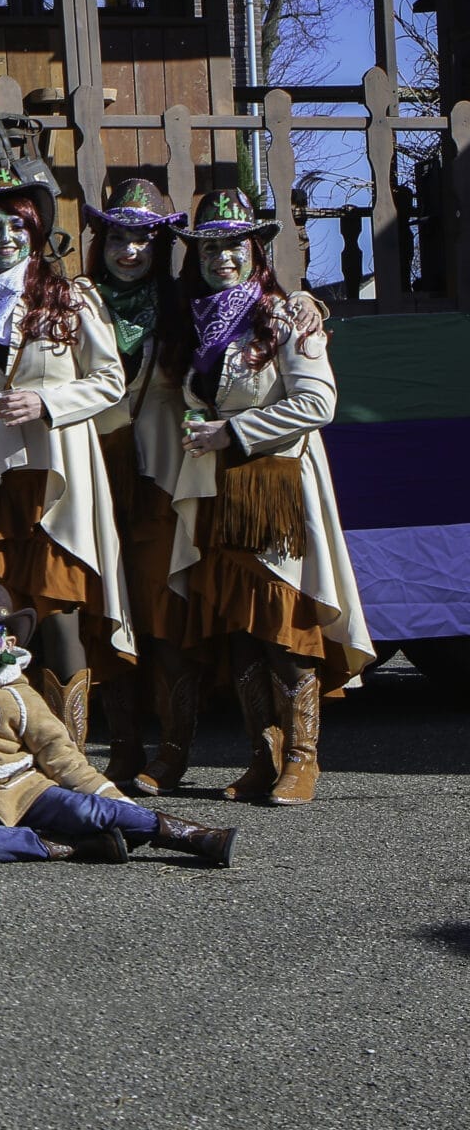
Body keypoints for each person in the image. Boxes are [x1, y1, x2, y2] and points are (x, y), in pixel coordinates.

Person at [164, 189, 374, 806]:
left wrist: (233, 431)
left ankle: (303, 760)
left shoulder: (286, 317)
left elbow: (318, 403)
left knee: (284, 625)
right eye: (210, 248)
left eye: (235, 245)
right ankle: (264, 756)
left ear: (256, 250)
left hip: (276, 489)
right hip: (221, 491)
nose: (223, 258)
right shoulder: (197, 322)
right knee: (240, 629)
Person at [0, 168, 132, 751]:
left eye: (17, 226)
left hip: (57, 479)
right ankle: (3, 753)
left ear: (36, 232)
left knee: (59, 611)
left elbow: (110, 380)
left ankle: (69, 754)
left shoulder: (71, 297)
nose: (5, 238)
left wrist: (47, 402)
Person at [0, 577, 235, 866]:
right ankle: (72, 846)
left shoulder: (18, 693)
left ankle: (192, 836)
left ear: (8, 642)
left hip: (25, 791)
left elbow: (60, 754)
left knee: (87, 810)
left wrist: (117, 800)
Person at [80, 181, 195, 789]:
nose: (130, 251)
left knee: (161, 611)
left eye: (143, 239)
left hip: (159, 479)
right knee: (105, 609)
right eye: (118, 238)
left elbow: (254, 304)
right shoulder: (76, 303)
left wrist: (309, 301)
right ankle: (123, 747)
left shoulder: (183, 304)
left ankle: (173, 750)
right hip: (93, 474)